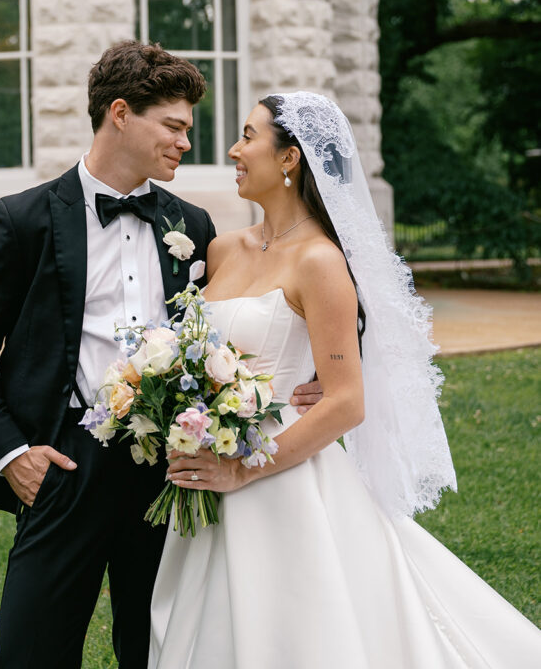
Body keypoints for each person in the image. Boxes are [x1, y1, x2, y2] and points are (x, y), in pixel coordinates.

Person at [0, 43, 321, 669]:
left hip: (171, 469)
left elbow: (271, 310)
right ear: (120, 113)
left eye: (188, 129)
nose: (186, 142)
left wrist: (309, 381)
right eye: (173, 126)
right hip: (63, 463)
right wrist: (10, 452)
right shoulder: (23, 219)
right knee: (28, 651)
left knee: (162, 649)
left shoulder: (194, 226)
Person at [149, 91, 541, 668]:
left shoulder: (321, 262)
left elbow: (347, 402)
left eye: (249, 136)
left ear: (289, 159)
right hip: (208, 460)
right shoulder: (224, 248)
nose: (234, 149)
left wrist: (239, 469)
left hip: (278, 474)